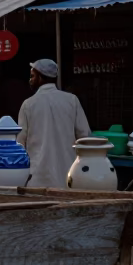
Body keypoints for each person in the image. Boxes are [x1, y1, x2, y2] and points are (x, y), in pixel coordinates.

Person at [18, 58, 91, 189]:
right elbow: (84, 137)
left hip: (37, 177)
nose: (30, 80)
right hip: (69, 176)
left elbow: (20, 144)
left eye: (32, 76)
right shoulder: (72, 100)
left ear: (40, 77)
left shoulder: (28, 105)